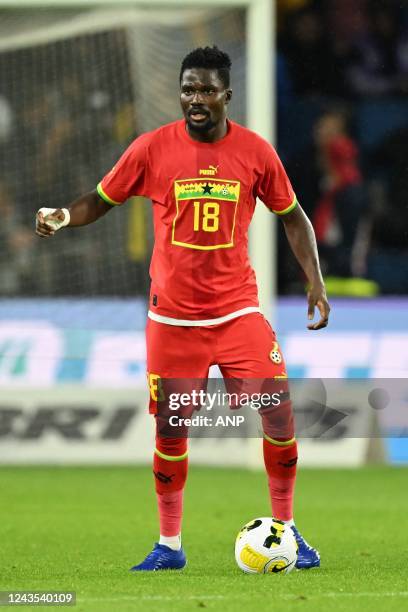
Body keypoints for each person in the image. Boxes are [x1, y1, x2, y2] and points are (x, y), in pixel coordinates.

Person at [36, 46, 330, 571]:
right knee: (171, 433)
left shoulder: (256, 153)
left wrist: (315, 280)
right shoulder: (151, 148)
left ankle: (286, 529)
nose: (196, 99)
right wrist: (63, 215)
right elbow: (102, 199)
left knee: (279, 415)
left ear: (227, 96)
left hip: (238, 313)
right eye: (188, 89)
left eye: (206, 90)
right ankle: (170, 545)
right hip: (172, 321)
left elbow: (293, 216)